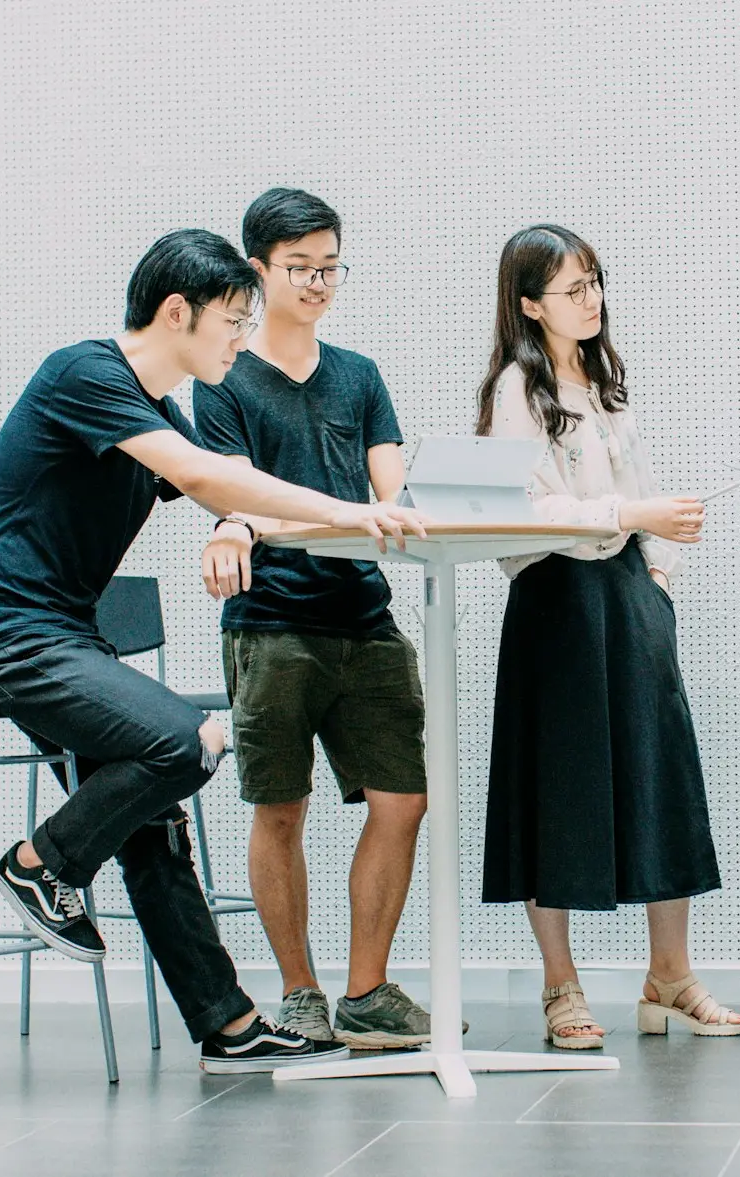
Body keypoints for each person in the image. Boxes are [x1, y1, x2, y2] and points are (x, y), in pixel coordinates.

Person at [0, 228, 424, 1073]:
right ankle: (38, 864)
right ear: (178, 312)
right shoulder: (83, 374)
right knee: (185, 740)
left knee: (153, 826)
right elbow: (209, 479)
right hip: (4, 634)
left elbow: (233, 488)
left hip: (64, 637)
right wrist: (347, 512)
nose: (242, 342)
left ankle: (228, 1024)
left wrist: (296, 514)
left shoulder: (155, 410)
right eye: (234, 322)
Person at [475, 224, 740, 1048]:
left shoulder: (603, 377)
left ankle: (670, 975)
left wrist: (656, 577)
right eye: (571, 288)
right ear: (529, 304)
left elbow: (646, 490)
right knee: (555, 789)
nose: (591, 299)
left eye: (595, 281)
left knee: (659, 779)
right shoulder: (514, 390)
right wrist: (632, 518)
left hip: (628, 595)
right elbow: (526, 512)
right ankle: (561, 985)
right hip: (556, 602)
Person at [193, 189, 433, 1049]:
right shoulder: (222, 380)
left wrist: (394, 505)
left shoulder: (359, 374)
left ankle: (366, 989)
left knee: (403, 799)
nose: (320, 282)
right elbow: (232, 494)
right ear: (257, 269)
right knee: (279, 808)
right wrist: (247, 522)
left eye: (331, 266)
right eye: (301, 269)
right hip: (270, 626)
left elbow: (388, 492)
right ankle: (300, 992)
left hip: (366, 619)